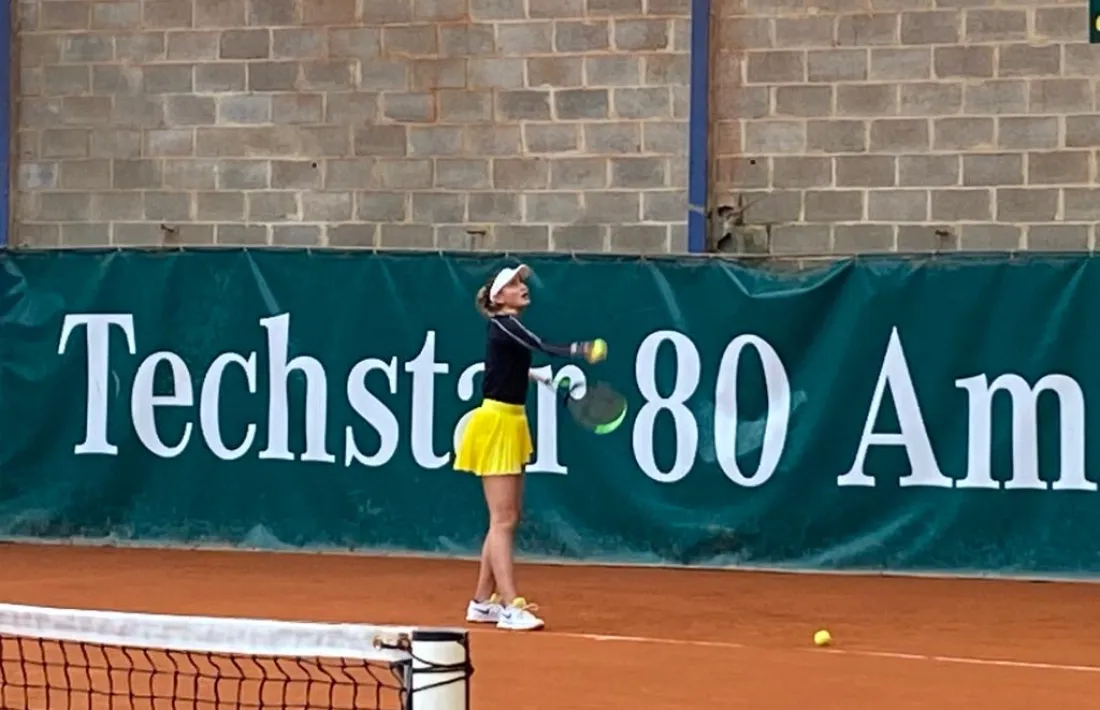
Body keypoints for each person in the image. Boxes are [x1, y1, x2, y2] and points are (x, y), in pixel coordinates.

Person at [454, 263, 603, 631]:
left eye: (522, 281)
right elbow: (539, 346)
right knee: (503, 520)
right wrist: (580, 349)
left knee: (506, 518)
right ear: (499, 297)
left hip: (511, 421)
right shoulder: (506, 323)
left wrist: (535, 376)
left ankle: (481, 603)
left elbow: (504, 366)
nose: (522, 287)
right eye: (514, 284)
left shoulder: (505, 328)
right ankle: (509, 605)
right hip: (496, 424)